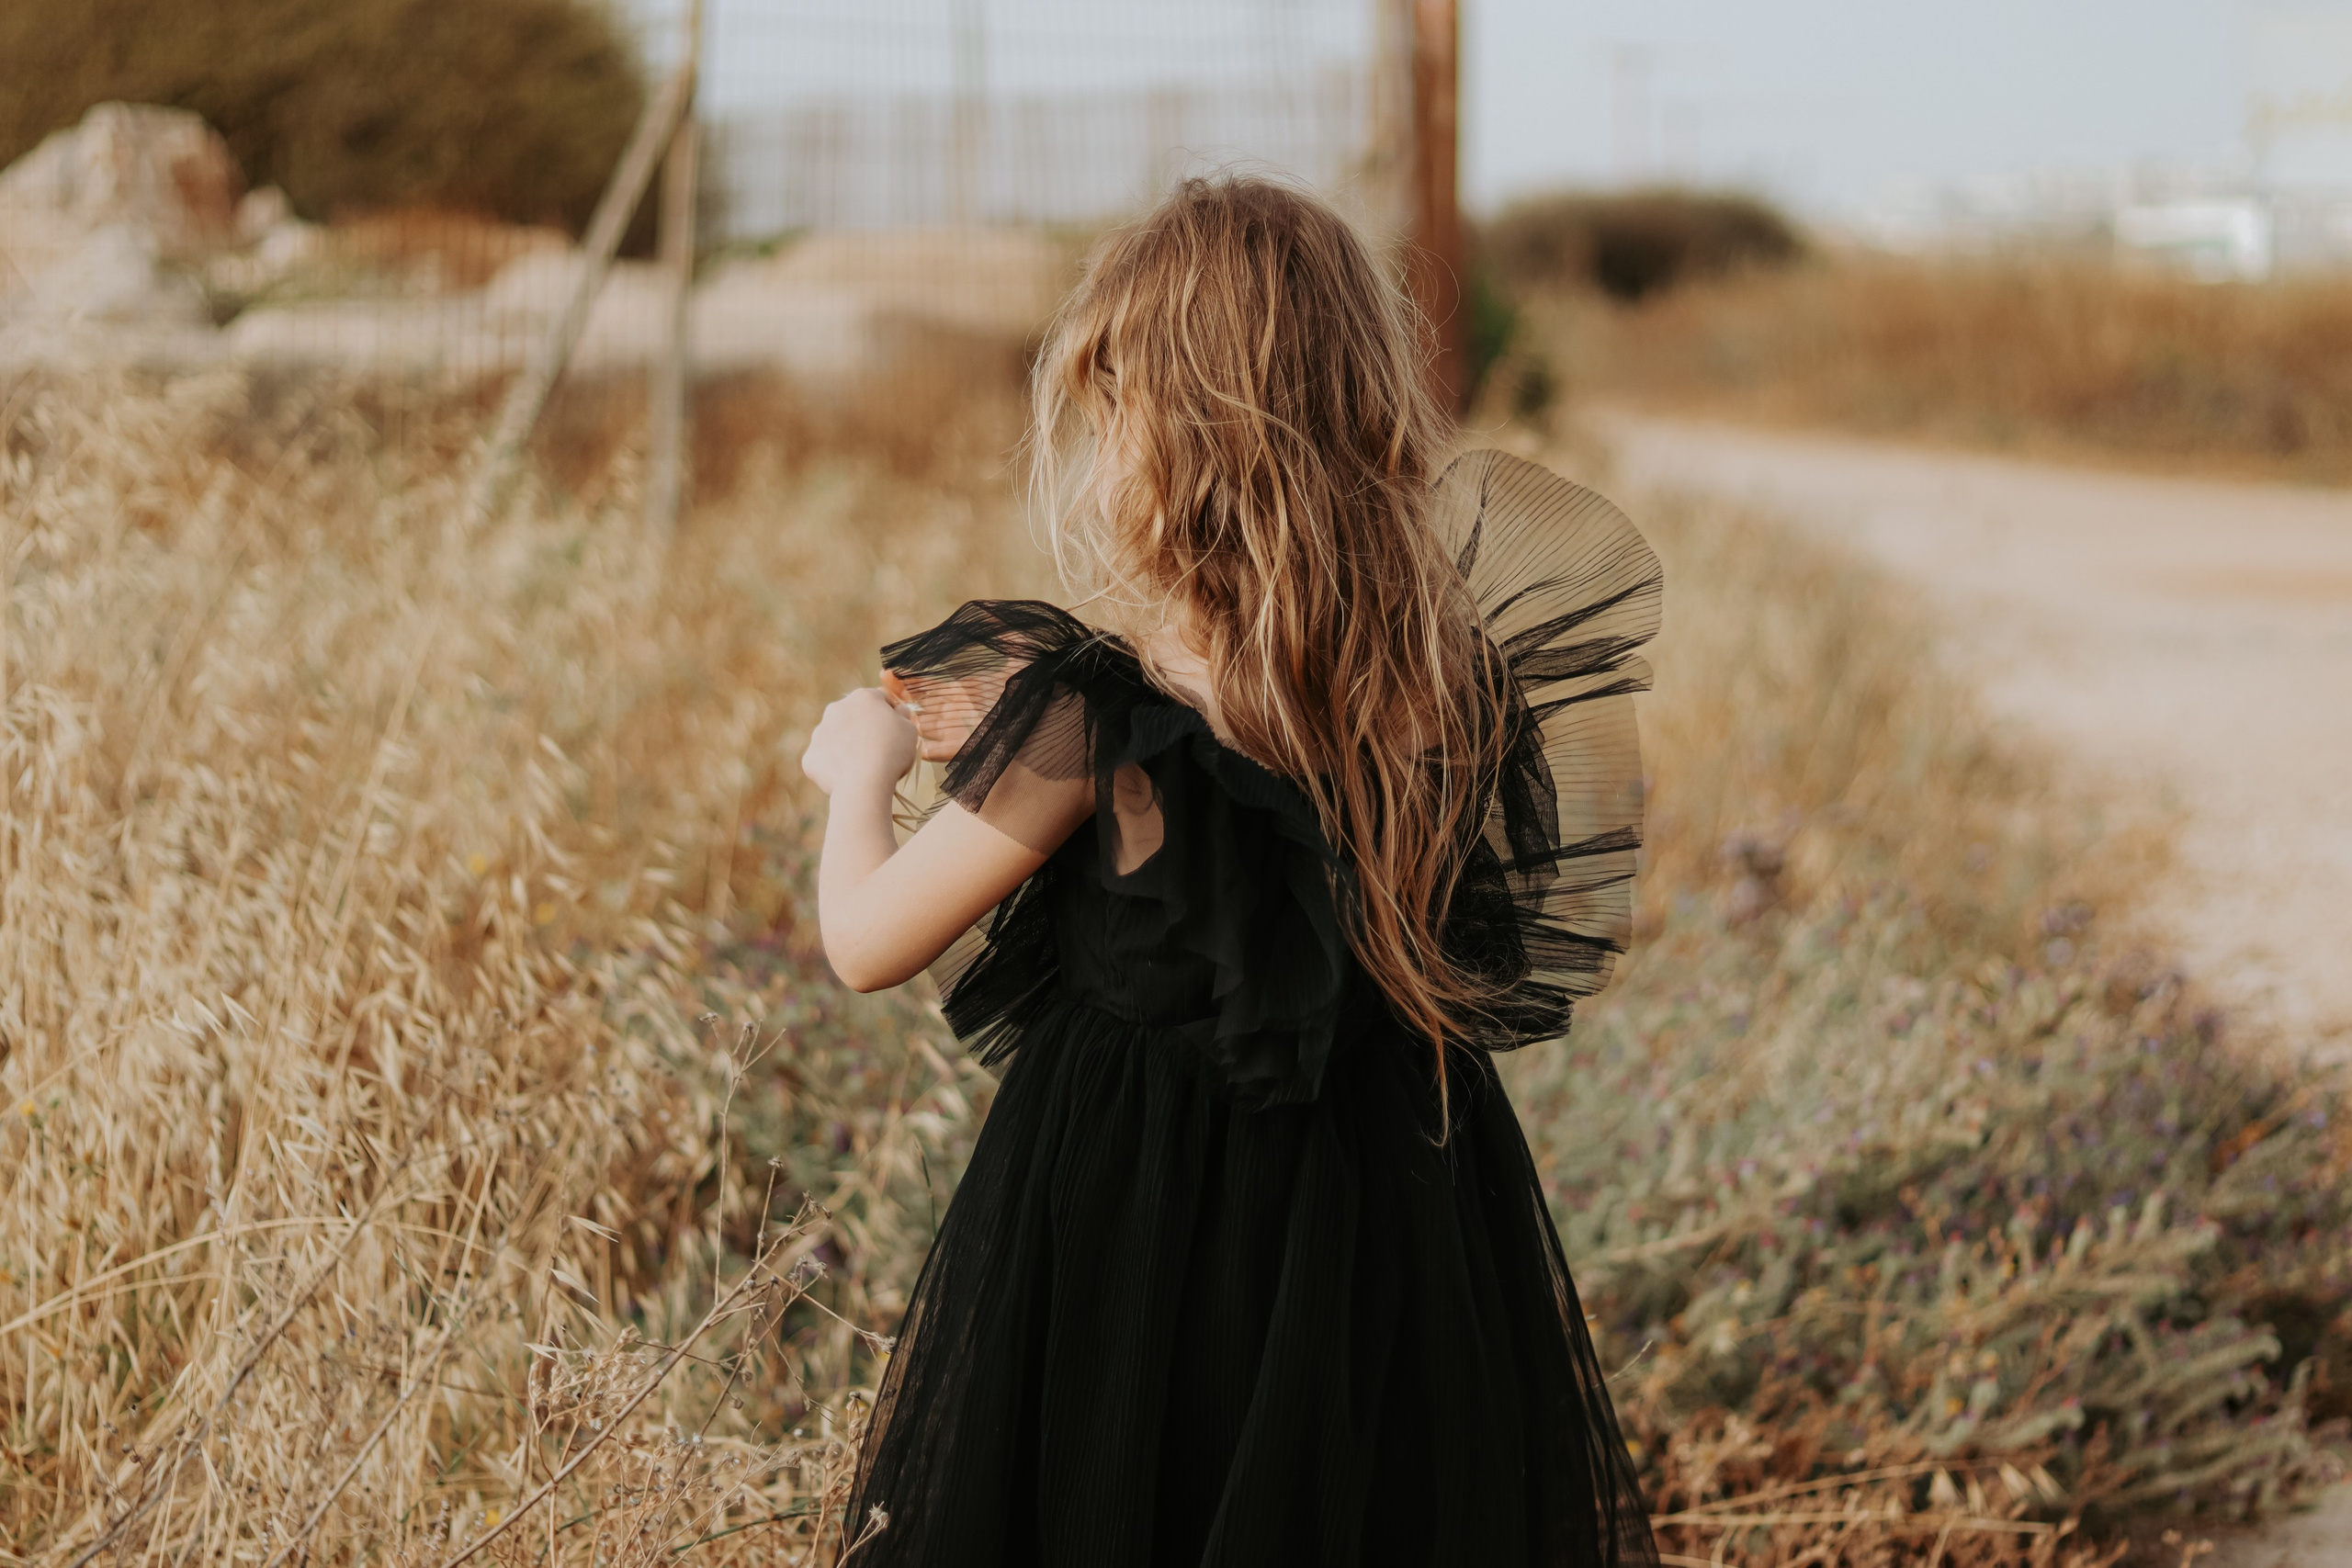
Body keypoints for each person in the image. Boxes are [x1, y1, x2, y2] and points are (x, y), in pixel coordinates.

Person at [796, 175, 1662, 1568]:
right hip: (1394, 1220)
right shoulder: (1441, 685)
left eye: (1114, 404)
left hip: (1138, 1235)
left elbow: (866, 939)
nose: (1101, 446)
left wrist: (862, 777)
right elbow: (1310, 836)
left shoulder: (1098, 724)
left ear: (1173, 435)